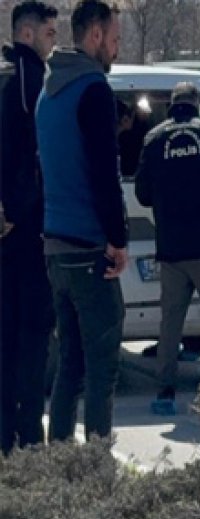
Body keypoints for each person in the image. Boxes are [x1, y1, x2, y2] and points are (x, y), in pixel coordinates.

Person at [36, 0, 125, 444]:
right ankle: (96, 469)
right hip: (90, 248)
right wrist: (118, 239)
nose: (116, 49)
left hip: (55, 245)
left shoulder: (47, 92)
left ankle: (62, 465)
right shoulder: (93, 90)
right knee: (103, 365)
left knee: (69, 362)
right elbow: (103, 173)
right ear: (94, 36)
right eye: (113, 39)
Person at [134, 83, 200, 415]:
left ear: (172, 106)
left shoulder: (154, 141)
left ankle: (165, 392)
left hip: (172, 249)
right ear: (195, 105)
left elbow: (142, 194)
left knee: (171, 323)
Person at [0, 0, 57, 453]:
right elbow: (38, 158)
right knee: (32, 335)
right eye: (49, 34)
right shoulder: (30, 79)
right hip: (25, 232)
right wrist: (17, 209)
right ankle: (28, 438)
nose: (52, 43)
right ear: (27, 33)